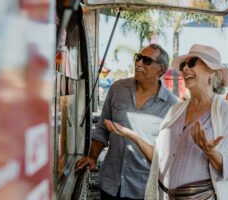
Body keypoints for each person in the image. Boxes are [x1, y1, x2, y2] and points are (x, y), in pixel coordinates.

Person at [105, 44, 228, 200]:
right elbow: (158, 158)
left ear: (211, 73)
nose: (185, 69)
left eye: (192, 63)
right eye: (183, 65)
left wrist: (210, 152)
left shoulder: (226, 112)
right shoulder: (176, 110)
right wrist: (131, 135)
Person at [75, 44, 178, 200]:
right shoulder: (118, 88)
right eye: (138, 58)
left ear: (161, 70)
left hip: (142, 189)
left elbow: (166, 155)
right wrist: (93, 157)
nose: (139, 63)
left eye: (147, 61)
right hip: (110, 184)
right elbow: (102, 128)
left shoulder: (172, 105)